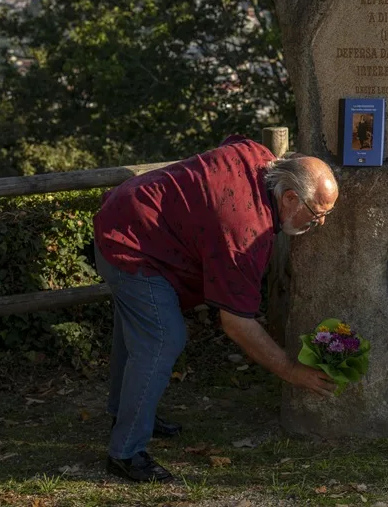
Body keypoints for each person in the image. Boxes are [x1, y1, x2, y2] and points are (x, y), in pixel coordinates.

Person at [93, 134, 339, 483]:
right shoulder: (244, 231)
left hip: (126, 214)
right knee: (162, 338)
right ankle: (125, 452)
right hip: (129, 244)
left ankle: (127, 414)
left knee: (138, 333)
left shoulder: (259, 157)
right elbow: (237, 323)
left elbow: (232, 141)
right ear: (289, 197)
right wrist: (291, 370)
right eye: (317, 214)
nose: (320, 224)